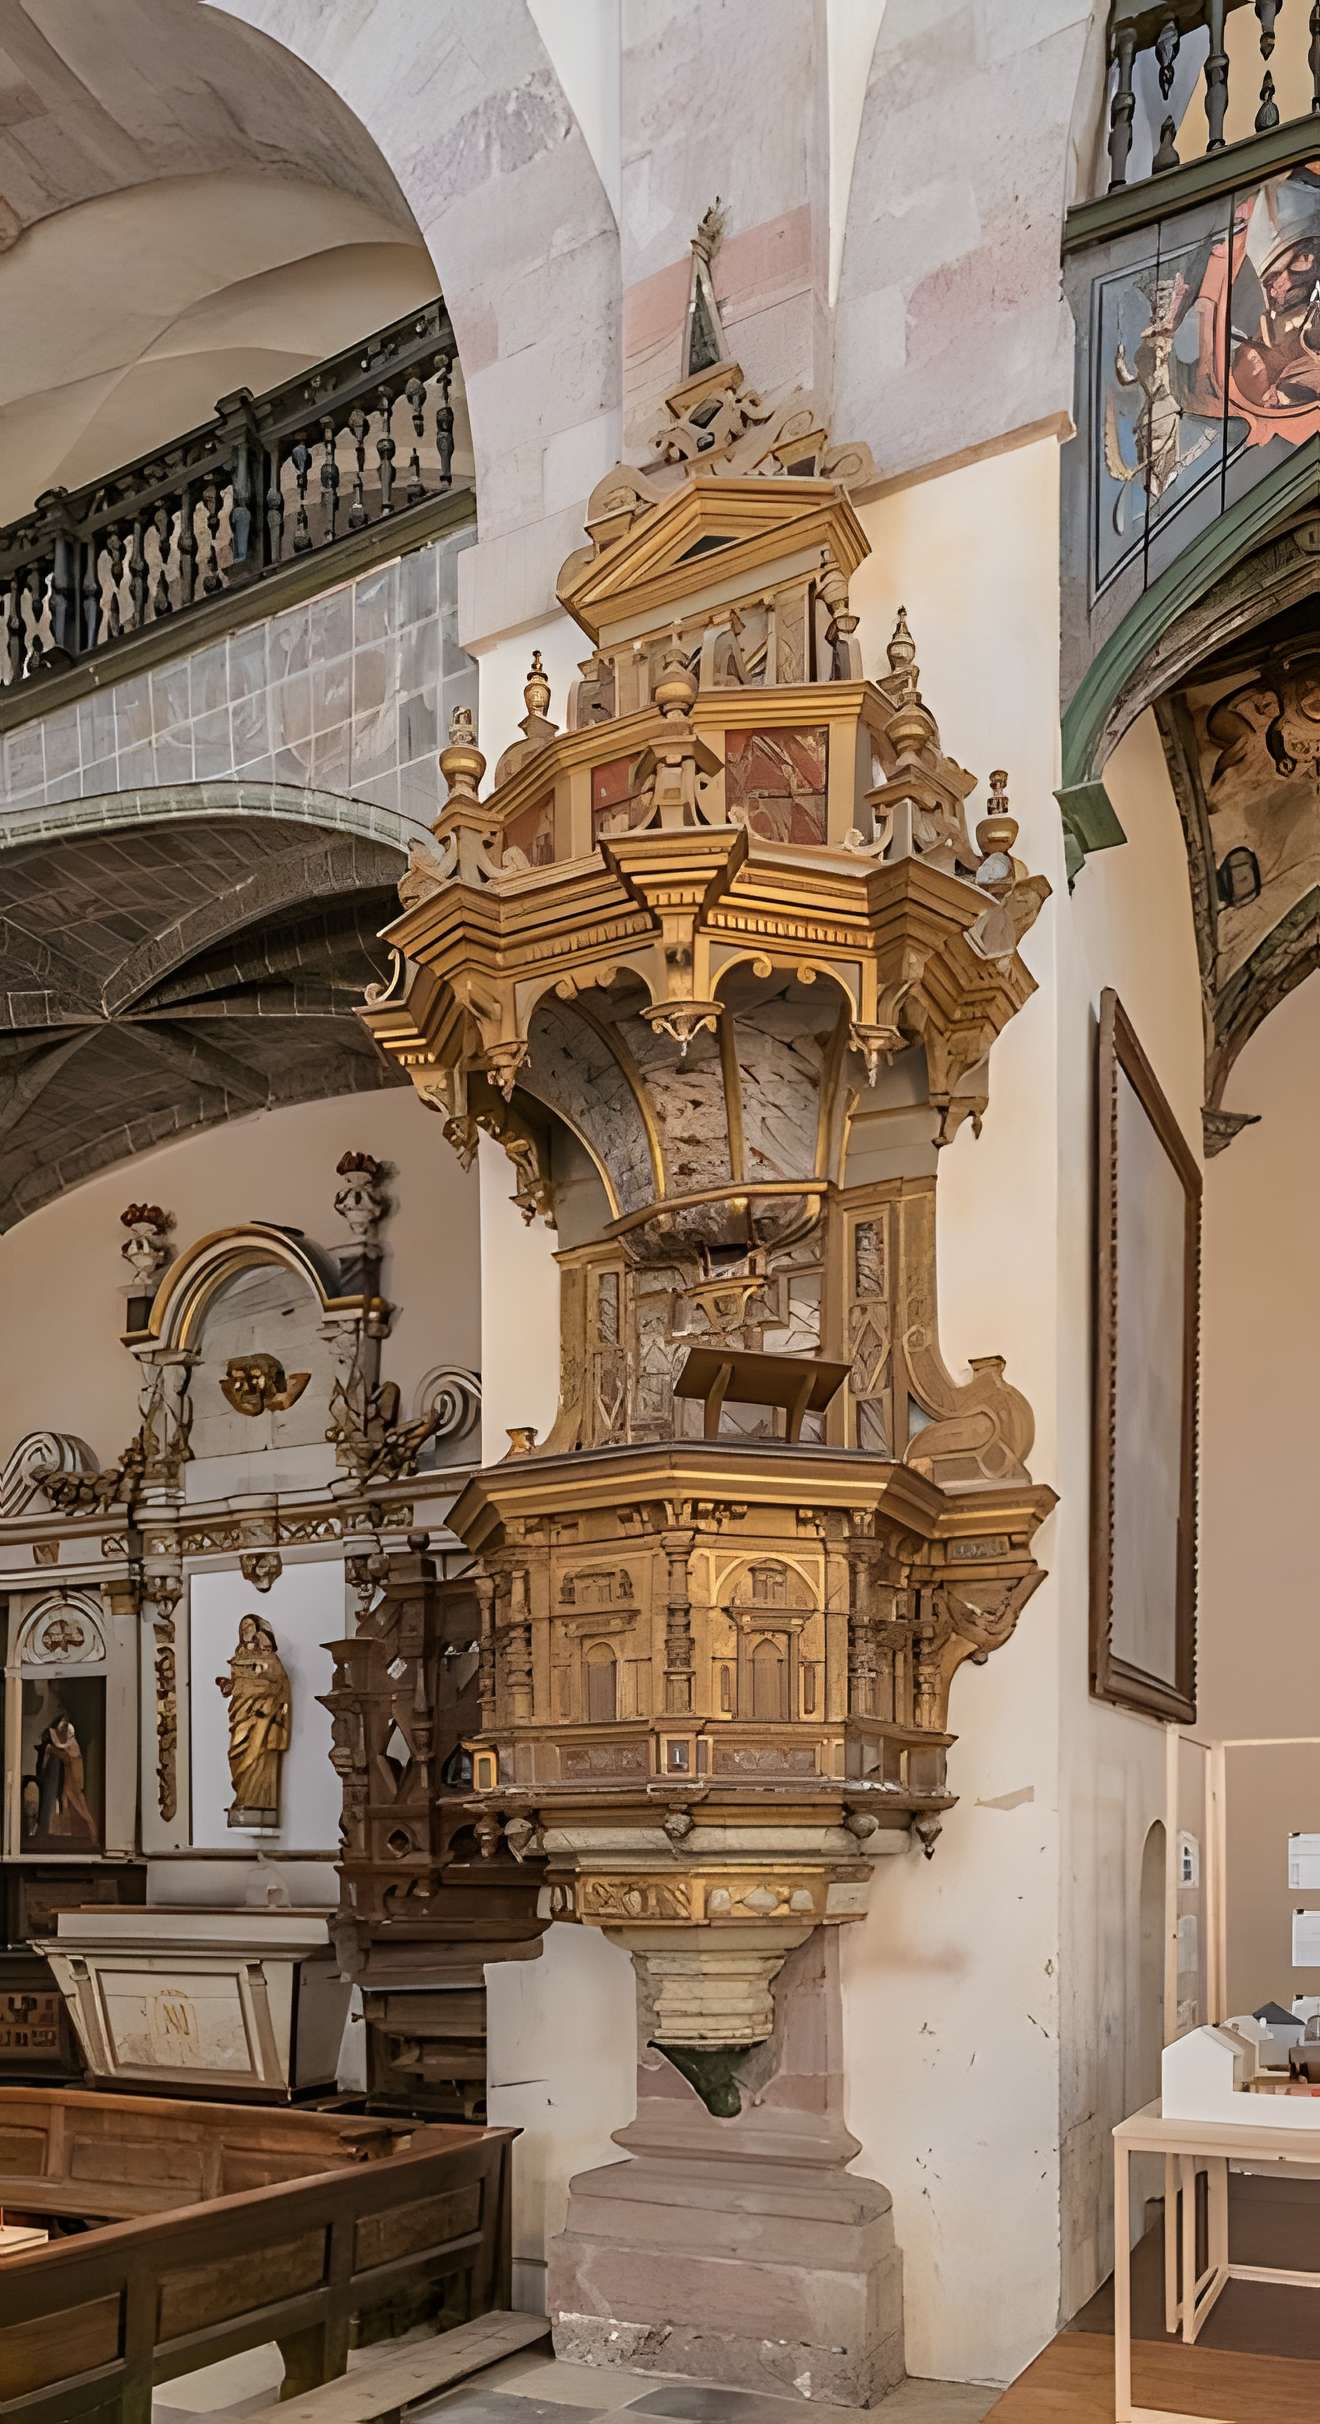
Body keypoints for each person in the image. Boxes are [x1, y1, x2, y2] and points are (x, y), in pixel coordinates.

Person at [216, 1614, 291, 1823]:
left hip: (261, 1715)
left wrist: (258, 1683)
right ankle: (242, 1798)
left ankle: (257, 1802)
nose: (245, 1630)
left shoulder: (269, 1657)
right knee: (236, 1753)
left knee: (257, 1756)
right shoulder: (238, 1656)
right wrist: (228, 1686)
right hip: (240, 1712)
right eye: (242, 1627)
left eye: (249, 1626)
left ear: (258, 1629)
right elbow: (237, 1684)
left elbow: (277, 1681)